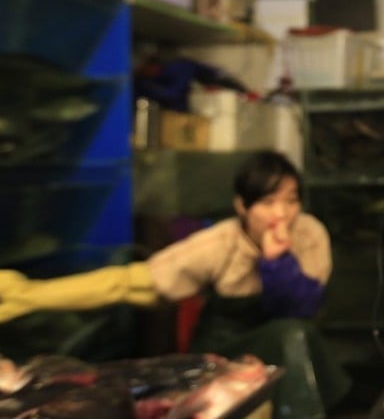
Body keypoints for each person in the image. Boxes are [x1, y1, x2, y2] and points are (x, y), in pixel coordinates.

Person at [0, 150, 349, 418]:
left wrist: (277, 263)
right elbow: (129, 284)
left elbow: (302, 308)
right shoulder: (219, 244)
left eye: (291, 200)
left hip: (291, 348)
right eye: (268, 202)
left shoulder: (310, 234)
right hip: (227, 351)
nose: (282, 215)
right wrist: (28, 295)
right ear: (242, 206)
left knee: (294, 333)